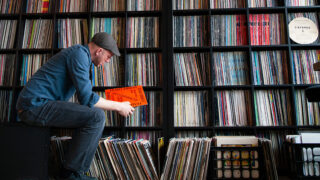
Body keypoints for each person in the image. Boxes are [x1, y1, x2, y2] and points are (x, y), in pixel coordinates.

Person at [16, 32, 134, 180]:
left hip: (40, 105)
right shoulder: (79, 54)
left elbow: (86, 99)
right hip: (33, 107)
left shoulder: (82, 57)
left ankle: (72, 172)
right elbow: (87, 98)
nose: (108, 61)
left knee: (93, 115)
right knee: (96, 116)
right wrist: (119, 106)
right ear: (99, 51)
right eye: (108, 57)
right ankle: (71, 174)